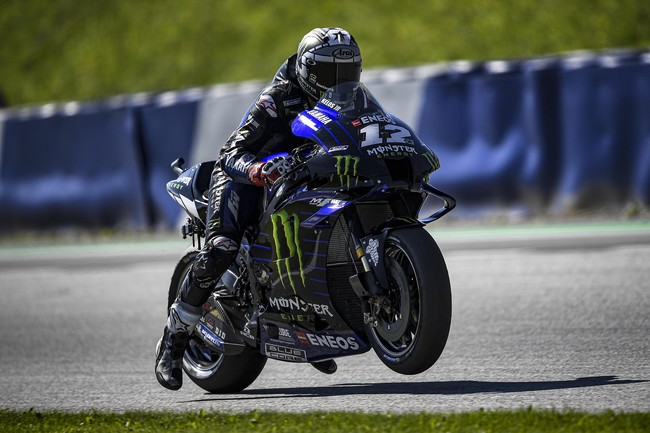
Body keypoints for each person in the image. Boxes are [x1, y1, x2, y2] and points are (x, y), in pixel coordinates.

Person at [155, 27, 363, 390]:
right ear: (308, 70)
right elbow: (231, 153)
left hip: (299, 176)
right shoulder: (277, 98)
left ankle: (313, 321)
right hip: (245, 176)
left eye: (347, 72)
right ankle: (172, 342)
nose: (339, 80)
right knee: (222, 247)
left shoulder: (352, 99)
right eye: (331, 72)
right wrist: (257, 170)